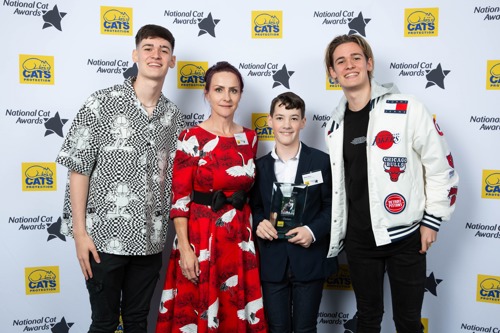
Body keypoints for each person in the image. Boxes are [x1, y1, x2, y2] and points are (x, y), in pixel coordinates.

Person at [323, 34, 459, 333]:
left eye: (356, 57)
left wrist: (432, 221)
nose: (349, 65)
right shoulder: (333, 126)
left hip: (406, 237)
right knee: (368, 319)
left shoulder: (407, 108)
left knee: (408, 322)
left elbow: (440, 167)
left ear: (369, 63)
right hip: (359, 242)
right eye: (340, 61)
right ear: (332, 72)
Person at [56, 24, 185, 333]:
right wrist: (80, 235)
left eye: (163, 50)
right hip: (102, 241)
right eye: (148, 48)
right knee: (104, 324)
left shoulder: (174, 117)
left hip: (150, 242)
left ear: (172, 60)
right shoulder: (100, 103)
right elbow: (78, 168)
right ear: (135, 55)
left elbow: (177, 180)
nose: (156, 55)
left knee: (138, 323)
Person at [156, 61, 267, 333]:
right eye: (218, 90)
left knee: (235, 311)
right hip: (201, 236)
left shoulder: (251, 138)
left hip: (240, 235)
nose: (226, 97)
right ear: (206, 94)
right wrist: (184, 247)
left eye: (233, 90)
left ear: (241, 94)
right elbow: (180, 199)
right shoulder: (191, 136)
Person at [250, 91, 337, 333]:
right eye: (280, 118)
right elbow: (255, 207)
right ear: (269, 121)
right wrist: (259, 223)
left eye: (293, 118)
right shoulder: (258, 167)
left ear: (303, 122)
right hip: (272, 260)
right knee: (277, 329)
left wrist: (312, 230)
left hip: (309, 260)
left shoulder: (321, 162)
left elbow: (333, 206)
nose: (286, 125)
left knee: (305, 329)